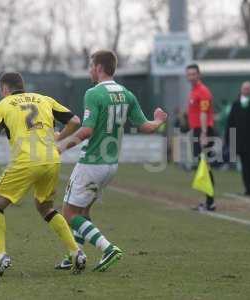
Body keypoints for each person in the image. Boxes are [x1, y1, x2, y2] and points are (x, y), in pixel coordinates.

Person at [54, 50, 168, 272]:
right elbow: (146, 127)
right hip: (111, 165)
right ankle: (74, 255)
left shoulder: (94, 94)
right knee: (83, 212)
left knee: (69, 214)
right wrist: (159, 120)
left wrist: (61, 146)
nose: (89, 70)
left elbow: (87, 130)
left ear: (98, 68)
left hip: (92, 163)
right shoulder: (127, 94)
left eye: (91, 66)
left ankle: (108, 249)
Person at [0, 72, 86, 276]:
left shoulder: (2, 106)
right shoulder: (44, 99)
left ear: (4, 89)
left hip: (26, 161)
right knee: (45, 207)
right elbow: (75, 120)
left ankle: (1, 256)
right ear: (22, 86)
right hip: (51, 159)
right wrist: (59, 138)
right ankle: (76, 252)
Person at [186, 64, 216, 211]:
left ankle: (210, 202)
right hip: (197, 131)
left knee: (205, 166)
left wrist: (204, 133)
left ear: (199, 75)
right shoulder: (193, 91)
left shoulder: (203, 92)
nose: (191, 77)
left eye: (193, 74)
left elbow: (204, 113)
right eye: (189, 74)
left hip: (204, 131)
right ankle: (208, 201)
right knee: (201, 166)